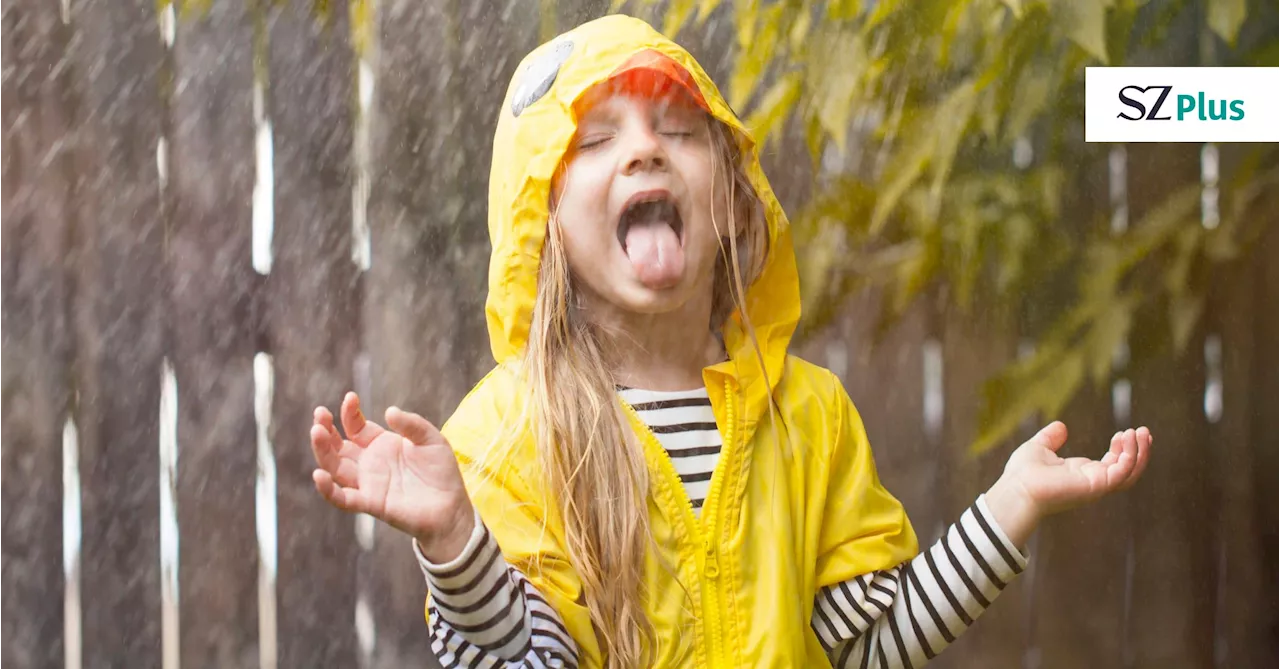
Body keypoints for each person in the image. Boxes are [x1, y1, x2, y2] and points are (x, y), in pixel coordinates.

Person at [308, 14, 1154, 669]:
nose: (645, 150)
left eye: (678, 131)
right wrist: (456, 540)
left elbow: (865, 648)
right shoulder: (506, 438)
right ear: (544, 224)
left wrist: (1010, 506)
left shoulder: (809, 418)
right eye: (598, 140)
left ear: (732, 198)